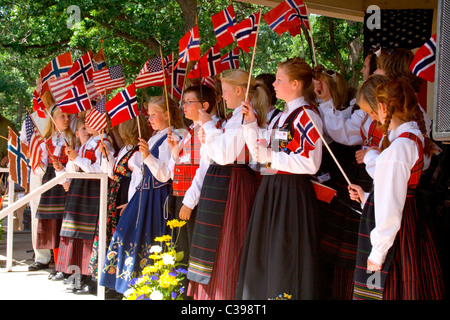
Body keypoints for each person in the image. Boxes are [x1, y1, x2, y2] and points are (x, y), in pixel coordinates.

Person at [348, 79, 444, 300]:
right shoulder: (411, 138)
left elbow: (390, 209)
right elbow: (393, 194)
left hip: (393, 236)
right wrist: (366, 199)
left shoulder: (399, 148)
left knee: (380, 288)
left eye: (371, 112)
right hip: (405, 225)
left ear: (382, 107)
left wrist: (377, 255)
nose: (372, 118)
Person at [237, 57, 323, 300]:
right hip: (273, 188)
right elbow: (262, 152)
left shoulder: (306, 116)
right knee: (269, 251)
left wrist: (271, 158)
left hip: (291, 192)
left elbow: (310, 162)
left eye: (279, 79)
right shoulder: (285, 115)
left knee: (286, 253)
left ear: (295, 83)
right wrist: (251, 124)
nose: (274, 83)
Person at [186, 69, 269, 300]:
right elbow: (213, 153)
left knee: (227, 244)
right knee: (218, 242)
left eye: (224, 91)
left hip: (232, 184)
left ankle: (225, 296)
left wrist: (208, 125)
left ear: (239, 91)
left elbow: (224, 156)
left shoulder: (243, 118)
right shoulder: (234, 118)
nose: (222, 97)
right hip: (221, 182)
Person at [100, 96, 184, 295]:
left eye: (154, 114)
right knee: (126, 236)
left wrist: (147, 156)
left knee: (150, 240)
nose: (150, 119)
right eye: (149, 114)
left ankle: (148, 287)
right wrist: (131, 201)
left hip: (157, 197)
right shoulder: (155, 137)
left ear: (167, 115)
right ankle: (127, 285)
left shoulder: (173, 138)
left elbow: (165, 175)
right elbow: (140, 175)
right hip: (143, 196)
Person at [53, 113, 114, 292]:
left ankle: (91, 278)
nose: (87, 127)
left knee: (89, 236)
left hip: (92, 191)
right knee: (75, 234)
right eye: (84, 125)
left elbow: (99, 170)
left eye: (89, 123)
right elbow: (74, 169)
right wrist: (63, 169)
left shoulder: (104, 144)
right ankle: (78, 275)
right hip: (78, 190)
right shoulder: (84, 145)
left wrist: (77, 158)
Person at [166, 85, 217, 295]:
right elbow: (182, 165)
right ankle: (180, 291)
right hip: (181, 196)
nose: (183, 106)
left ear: (204, 105)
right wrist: (174, 152)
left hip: (194, 200)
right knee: (181, 247)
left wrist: (189, 201)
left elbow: (203, 169)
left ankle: (192, 294)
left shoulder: (208, 130)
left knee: (191, 249)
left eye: (188, 102)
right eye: (183, 102)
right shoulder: (189, 131)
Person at [88, 114, 151, 284]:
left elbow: (139, 179)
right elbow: (111, 172)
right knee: (109, 235)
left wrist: (131, 203)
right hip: (115, 194)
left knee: (120, 237)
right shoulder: (125, 149)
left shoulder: (137, 152)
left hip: (125, 195)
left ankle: (116, 280)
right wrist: (107, 155)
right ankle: (104, 278)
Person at [35, 106, 74, 275]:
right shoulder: (47, 140)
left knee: (65, 224)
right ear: (53, 119)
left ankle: (66, 265)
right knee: (53, 223)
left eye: (68, 116)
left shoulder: (72, 138)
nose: (66, 119)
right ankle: (58, 265)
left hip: (66, 180)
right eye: (62, 116)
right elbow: (40, 164)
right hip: (51, 182)